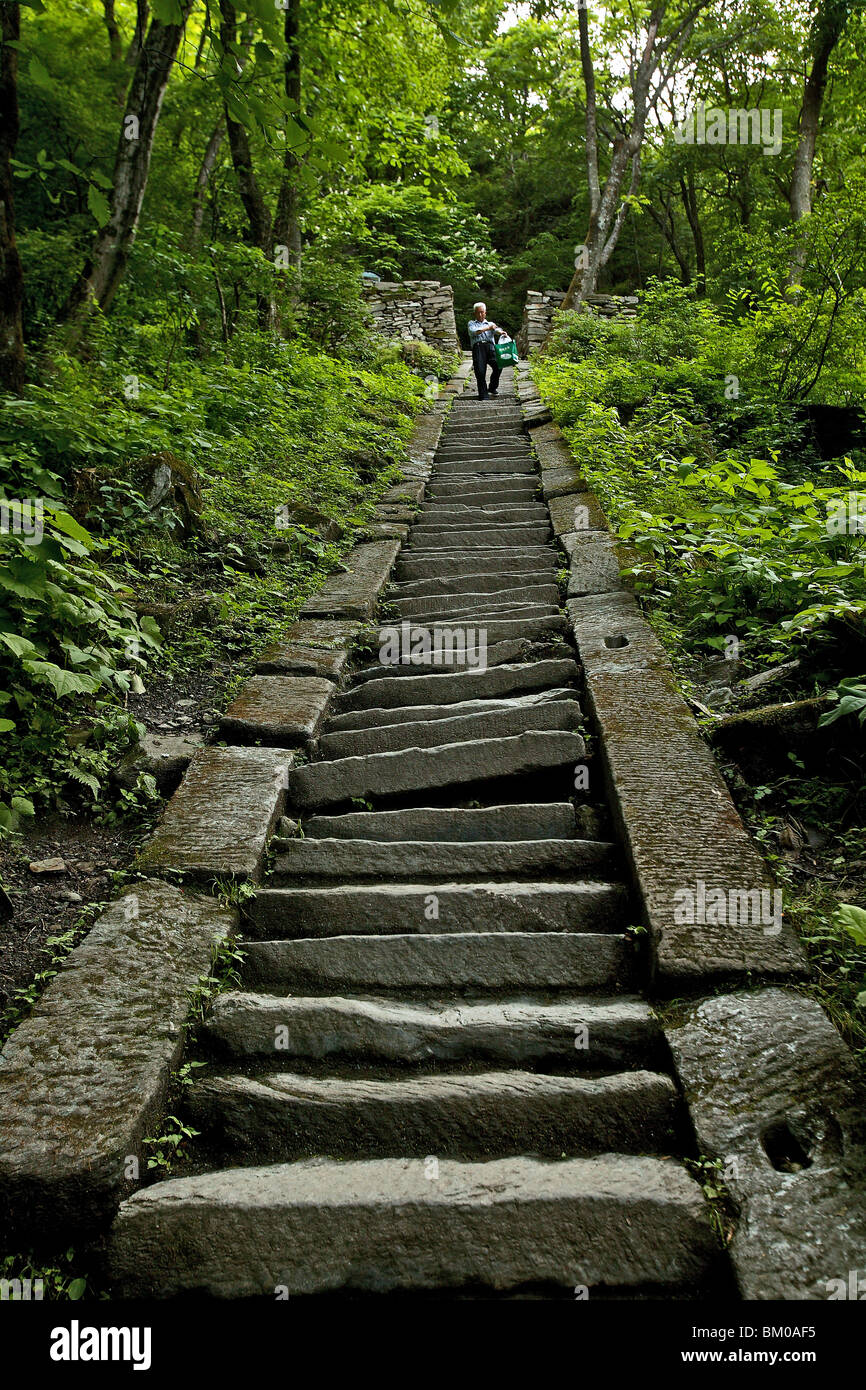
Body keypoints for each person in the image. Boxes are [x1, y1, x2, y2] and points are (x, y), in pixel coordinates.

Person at [468, 302, 507, 400]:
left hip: (490, 347)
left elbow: (496, 329)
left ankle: (492, 387)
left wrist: (501, 332)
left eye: (482, 312)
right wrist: (488, 328)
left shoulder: (490, 323)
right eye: (478, 313)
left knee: (499, 365)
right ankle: (483, 395)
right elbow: (475, 332)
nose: (480, 315)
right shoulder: (471, 324)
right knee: (480, 371)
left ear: (485, 313)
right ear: (475, 314)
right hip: (478, 348)